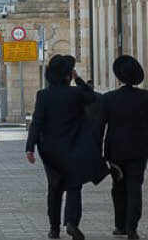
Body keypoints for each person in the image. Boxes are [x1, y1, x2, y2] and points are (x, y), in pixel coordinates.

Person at [26, 55, 108, 240]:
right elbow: (92, 97)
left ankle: (54, 229)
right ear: (67, 75)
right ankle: (71, 222)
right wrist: (78, 79)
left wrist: (29, 147)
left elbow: (37, 122)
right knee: (74, 186)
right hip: (74, 148)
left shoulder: (43, 95)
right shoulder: (76, 94)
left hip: (50, 151)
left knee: (54, 188)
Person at [99, 55, 148, 240]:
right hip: (139, 150)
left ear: (118, 77)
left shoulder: (108, 98)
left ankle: (120, 225)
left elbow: (100, 124)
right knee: (135, 186)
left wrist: (98, 150)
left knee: (118, 187)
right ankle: (132, 228)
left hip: (115, 151)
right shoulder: (144, 96)